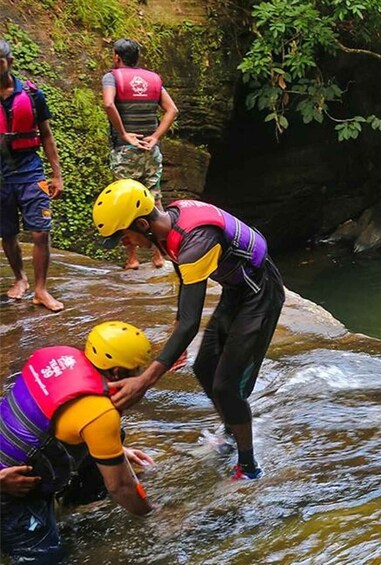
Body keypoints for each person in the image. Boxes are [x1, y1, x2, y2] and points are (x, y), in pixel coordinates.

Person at [92, 180, 285, 480]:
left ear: (142, 223)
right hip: (237, 291)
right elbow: (185, 282)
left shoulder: (197, 240)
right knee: (205, 367)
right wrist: (177, 329)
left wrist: (144, 381)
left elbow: (191, 323)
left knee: (226, 386)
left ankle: (248, 467)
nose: (124, 243)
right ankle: (232, 433)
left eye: (124, 235)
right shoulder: (167, 227)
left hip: (260, 294)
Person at [0, 322, 155, 562]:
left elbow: (47, 415)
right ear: (116, 372)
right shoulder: (99, 413)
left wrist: (116, 449)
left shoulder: (56, 356)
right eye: (136, 370)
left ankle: (72, 506)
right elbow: (121, 487)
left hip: (11, 458)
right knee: (45, 556)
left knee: (115, 439)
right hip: (11, 487)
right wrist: (153, 516)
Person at [102, 38, 179, 270]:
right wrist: (155, 137)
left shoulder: (112, 77)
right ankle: (159, 256)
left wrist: (124, 133)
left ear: (117, 56)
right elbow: (172, 109)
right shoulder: (154, 79)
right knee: (154, 199)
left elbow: (108, 104)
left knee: (124, 204)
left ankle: (133, 259)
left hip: (126, 151)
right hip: (150, 150)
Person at [0, 39, 64, 312]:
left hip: (30, 170)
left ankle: (41, 289)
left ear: (10, 62)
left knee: (40, 232)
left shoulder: (33, 95)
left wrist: (57, 175)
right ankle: (19, 278)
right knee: (7, 233)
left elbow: (47, 136)